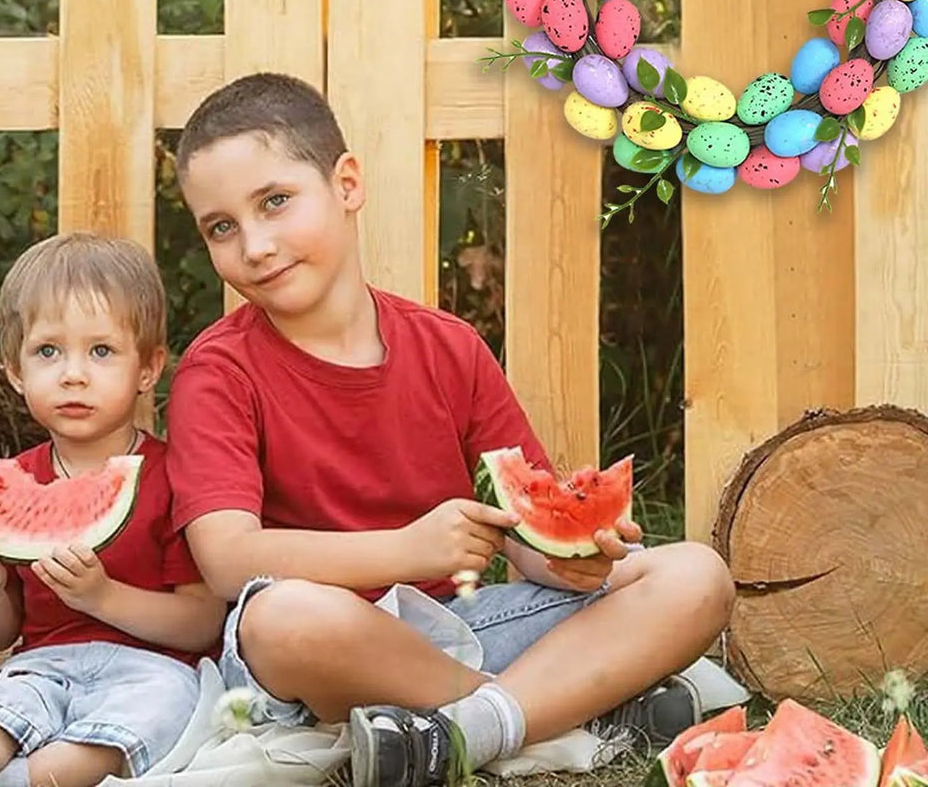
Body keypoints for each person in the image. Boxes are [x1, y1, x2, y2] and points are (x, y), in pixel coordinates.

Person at [165, 73, 736, 787]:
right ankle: (563, 706)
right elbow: (228, 559)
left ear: (346, 184)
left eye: (276, 202)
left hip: (465, 629)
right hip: (329, 652)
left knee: (695, 576)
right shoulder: (217, 372)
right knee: (279, 618)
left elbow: (528, 540)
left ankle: (462, 732)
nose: (254, 244)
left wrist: (575, 557)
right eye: (222, 226)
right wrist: (407, 549)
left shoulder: (449, 346)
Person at [0, 233, 225, 787]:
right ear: (16, 371)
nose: (73, 374)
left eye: (101, 351)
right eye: (49, 351)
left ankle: (23, 780)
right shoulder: (8, 483)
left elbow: (201, 623)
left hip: (152, 667)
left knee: (160, 707)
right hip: (43, 664)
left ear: (148, 368)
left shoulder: (174, 475)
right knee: (3, 702)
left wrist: (103, 596)